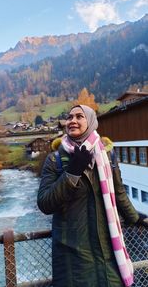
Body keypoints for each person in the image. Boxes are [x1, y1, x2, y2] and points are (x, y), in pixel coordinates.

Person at [37, 105, 148, 287]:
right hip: (71, 256)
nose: (72, 120)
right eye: (70, 117)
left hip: (108, 253)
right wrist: (72, 173)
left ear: (90, 121)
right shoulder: (55, 160)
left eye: (79, 116)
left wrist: (136, 218)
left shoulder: (107, 155)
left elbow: (118, 192)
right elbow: (45, 203)